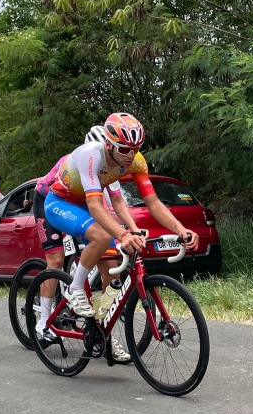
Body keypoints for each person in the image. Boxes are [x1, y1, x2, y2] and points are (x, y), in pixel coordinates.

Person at [39, 113, 198, 356]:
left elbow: (151, 202)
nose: (130, 155)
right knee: (102, 237)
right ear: (108, 144)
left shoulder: (134, 160)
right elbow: (95, 206)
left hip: (86, 205)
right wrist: (123, 234)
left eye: (135, 149)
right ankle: (74, 289)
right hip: (60, 202)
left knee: (111, 271)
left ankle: (102, 333)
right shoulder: (90, 154)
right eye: (124, 149)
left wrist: (180, 229)